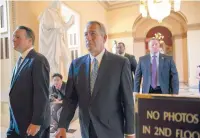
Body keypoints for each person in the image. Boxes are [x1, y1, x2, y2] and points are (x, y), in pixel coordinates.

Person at [55, 21, 135, 138]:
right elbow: (70, 99)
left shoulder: (120, 63)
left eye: (92, 33)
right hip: (86, 129)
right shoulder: (76, 65)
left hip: (111, 129)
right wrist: (62, 125)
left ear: (104, 38)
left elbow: (127, 101)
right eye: (85, 34)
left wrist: (130, 132)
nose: (88, 38)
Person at [7, 26, 50, 138]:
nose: (13, 39)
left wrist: (36, 122)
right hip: (16, 122)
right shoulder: (20, 60)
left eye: (17, 37)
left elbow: (41, 94)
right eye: (13, 37)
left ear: (29, 40)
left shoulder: (38, 60)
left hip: (31, 124)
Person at [39, 1, 74, 78]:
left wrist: (70, 22)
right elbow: (47, 24)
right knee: (55, 62)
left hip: (59, 40)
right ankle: (56, 81)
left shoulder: (58, 14)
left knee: (67, 58)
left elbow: (63, 27)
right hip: (52, 42)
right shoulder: (47, 11)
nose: (59, 4)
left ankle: (69, 78)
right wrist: (59, 25)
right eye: (58, 2)